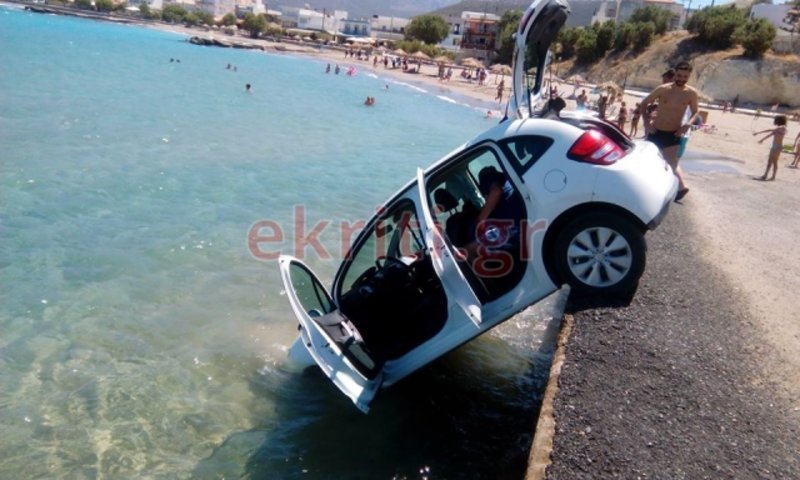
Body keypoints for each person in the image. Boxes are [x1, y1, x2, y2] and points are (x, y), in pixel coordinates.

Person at [640, 61, 700, 201]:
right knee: (648, 162)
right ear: (675, 74)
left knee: (672, 166)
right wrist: (647, 123)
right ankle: (644, 190)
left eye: (685, 77)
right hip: (656, 131)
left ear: (689, 76)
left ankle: (663, 193)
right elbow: (644, 103)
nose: (681, 79)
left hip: (674, 134)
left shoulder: (691, 93)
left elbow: (696, 112)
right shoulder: (663, 89)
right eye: (679, 75)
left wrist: (687, 125)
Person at [753, 115, 787, 180]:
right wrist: (761, 139)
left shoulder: (782, 128)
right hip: (776, 146)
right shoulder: (780, 129)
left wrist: (758, 133)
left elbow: (769, 130)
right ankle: (772, 176)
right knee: (774, 161)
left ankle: (765, 176)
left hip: (777, 146)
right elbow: (770, 135)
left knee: (771, 161)